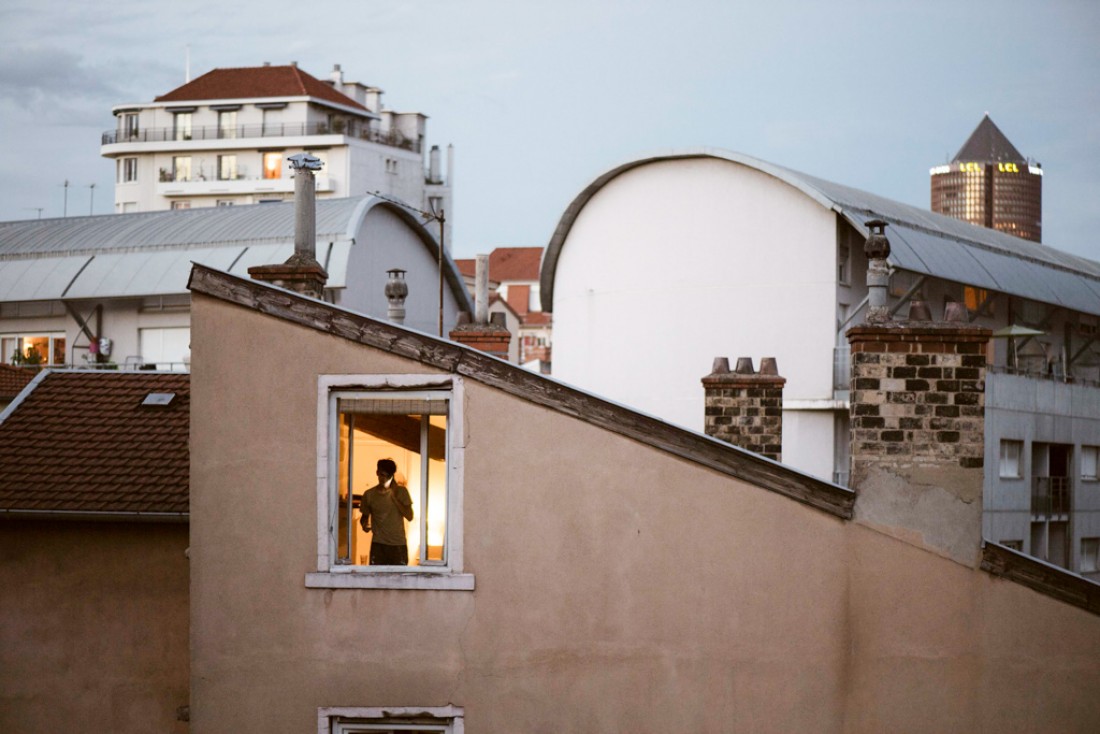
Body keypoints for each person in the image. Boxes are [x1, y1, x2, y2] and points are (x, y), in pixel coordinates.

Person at [359, 459, 414, 565]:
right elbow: (364, 518)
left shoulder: (402, 492)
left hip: (398, 544)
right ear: (377, 473)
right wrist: (364, 525)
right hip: (378, 544)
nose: (384, 479)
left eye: (387, 476)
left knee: (399, 575)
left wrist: (395, 498)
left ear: (392, 476)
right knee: (377, 574)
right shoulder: (369, 494)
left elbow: (410, 516)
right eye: (381, 475)